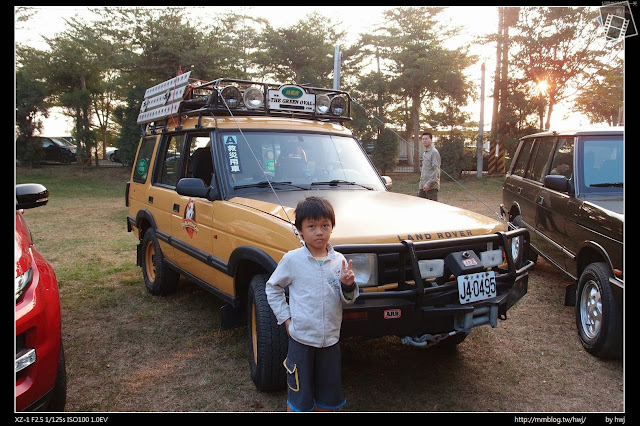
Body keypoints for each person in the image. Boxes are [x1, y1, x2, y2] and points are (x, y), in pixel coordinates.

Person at [266, 196, 359, 412]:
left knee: (328, 397)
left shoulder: (339, 261)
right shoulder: (292, 260)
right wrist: (286, 319)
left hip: (330, 342)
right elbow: (272, 287)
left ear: (331, 228)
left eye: (325, 225)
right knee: (299, 397)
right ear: (300, 230)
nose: (319, 232)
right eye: (312, 226)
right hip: (301, 340)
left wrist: (348, 285)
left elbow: (349, 299)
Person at [417, 131, 441, 201]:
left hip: (431, 187)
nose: (424, 140)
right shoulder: (425, 152)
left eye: (426, 139)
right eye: (423, 139)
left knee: (432, 208)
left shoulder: (434, 152)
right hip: (423, 185)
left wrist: (428, 184)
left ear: (431, 140)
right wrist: (421, 184)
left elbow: (435, 170)